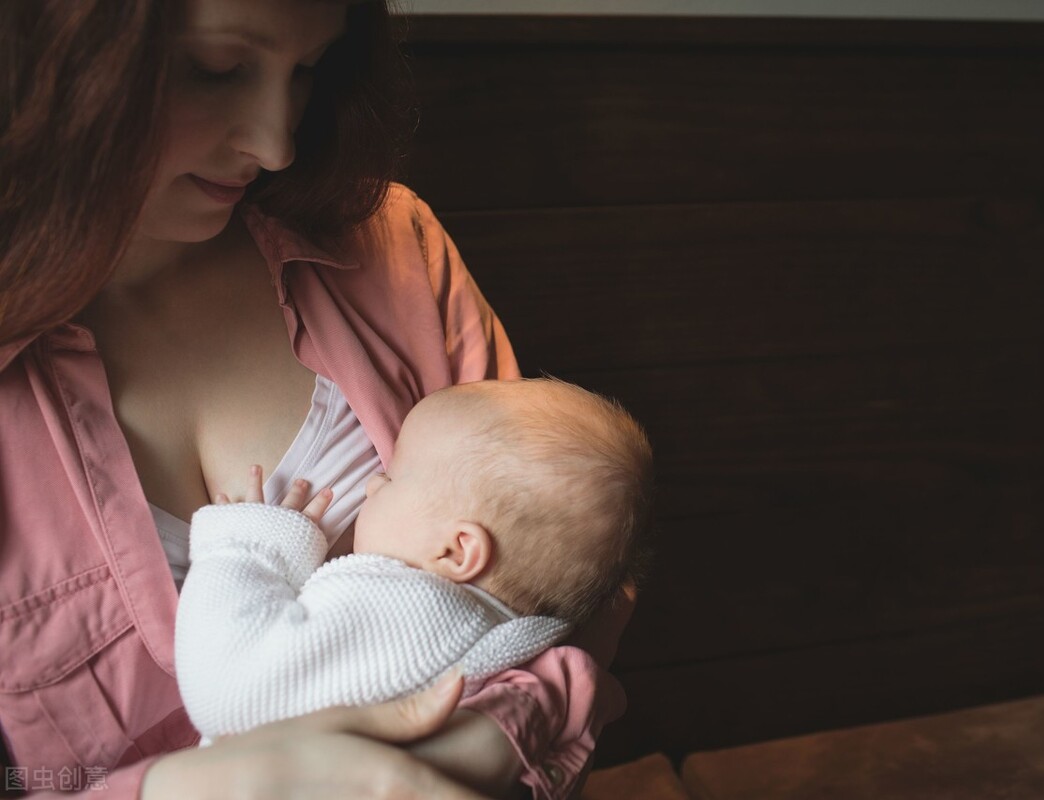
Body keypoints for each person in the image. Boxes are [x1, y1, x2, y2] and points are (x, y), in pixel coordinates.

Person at [0, 1, 632, 798]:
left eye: (305, 71)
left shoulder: (393, 247)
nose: (275, 143)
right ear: (49, 66)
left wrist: (478, 748)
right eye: (217, 70)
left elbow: (570, 575)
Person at [176, 378, 653, 742]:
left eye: (393, 475)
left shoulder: (407, 614)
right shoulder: (523, 638)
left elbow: (229, 694)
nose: (371, 485)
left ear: (456, 550)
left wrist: (248, 548)